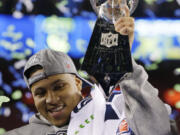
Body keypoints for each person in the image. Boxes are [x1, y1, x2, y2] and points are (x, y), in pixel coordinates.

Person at [3, 6, 178, 135]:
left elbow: (158, 130)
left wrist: (124, 60)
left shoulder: (116, 109)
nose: (51, 99)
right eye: (40, 93)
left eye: (59, 87)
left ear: (78, 83)